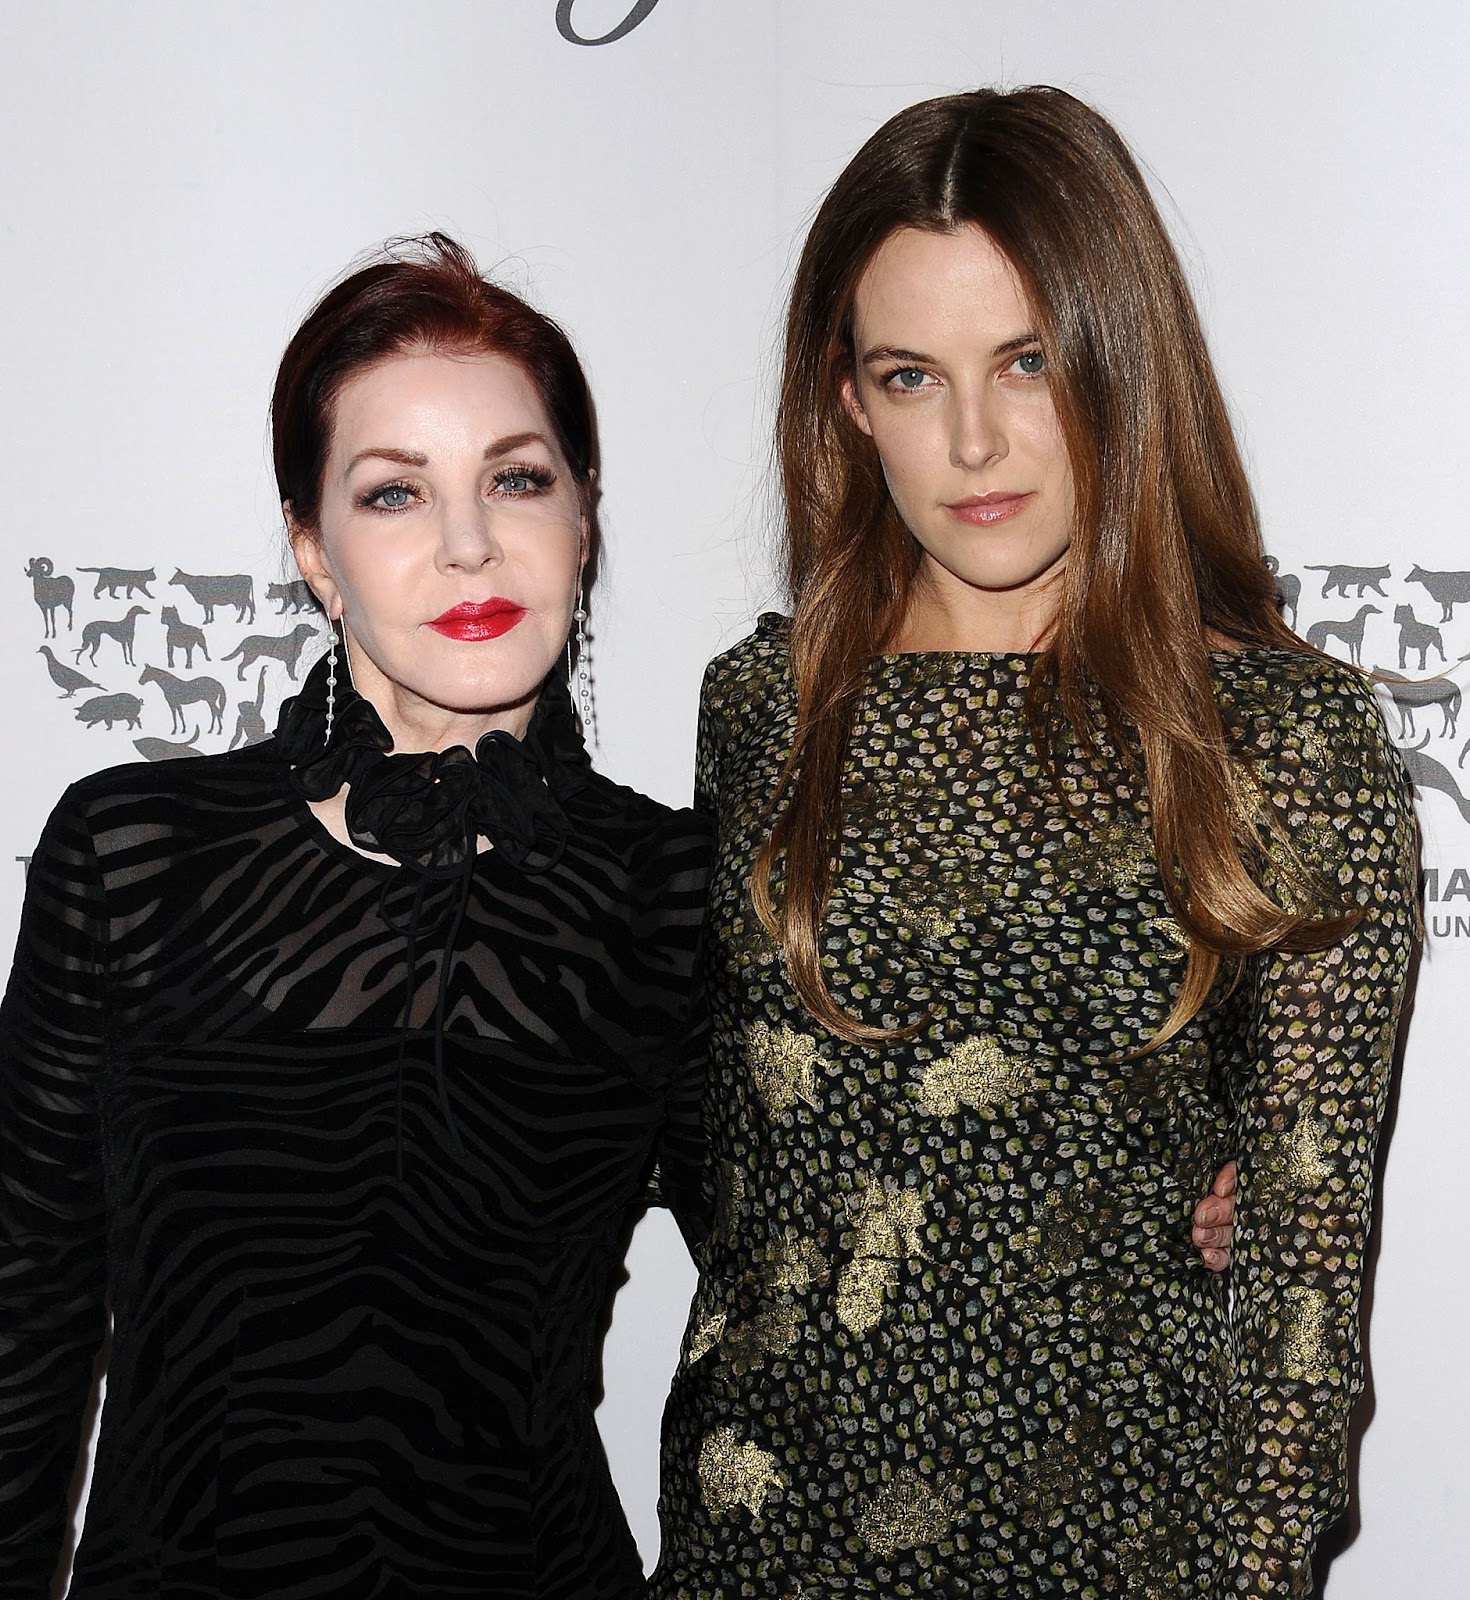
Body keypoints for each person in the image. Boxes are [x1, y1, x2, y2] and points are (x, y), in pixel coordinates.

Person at [651, 87, 1417, 1599]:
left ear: (1117, 362)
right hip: (762, 1539)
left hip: (1121, 1542)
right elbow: (724, 1149)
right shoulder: (759, 709)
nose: (976, 438)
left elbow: (1304, 1313)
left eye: (1026, 360)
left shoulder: (1281, 736)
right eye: (909, 374)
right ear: (847, 400)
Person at [0, 236, 711, 1599]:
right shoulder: (131, 851)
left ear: (582, 514)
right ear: (313, 551)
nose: (466, 542)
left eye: (517, 477)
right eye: (394, 495)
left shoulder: (668, 885)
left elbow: (808, 1255)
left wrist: (1196, 1200)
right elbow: (22, 1318)